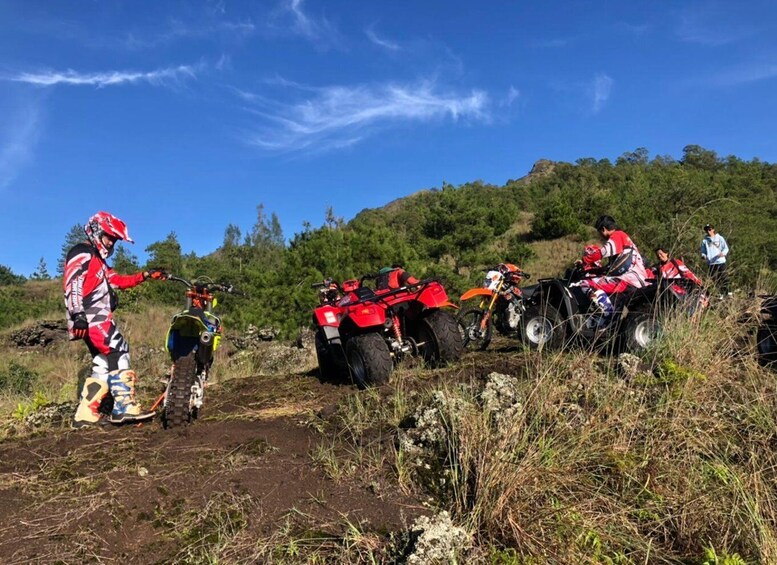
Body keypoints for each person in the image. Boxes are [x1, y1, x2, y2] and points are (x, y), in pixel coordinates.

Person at [64, 211, 166, 428]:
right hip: (91, 316)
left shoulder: (100, 262)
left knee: (102, 361)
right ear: (96, 231)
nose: (112, 243)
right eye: (109, 237)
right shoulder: (82, 252)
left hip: (94, 316)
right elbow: (72, 283)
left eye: (115, 239)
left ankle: (85, 413)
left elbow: (117, 280)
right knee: (119, 349)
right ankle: (124, 407)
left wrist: (145, 276)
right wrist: (78, 314)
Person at [575, 215, 650, 326]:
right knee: (611, 295)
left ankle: (607, 316)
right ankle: (611, 321)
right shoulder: (626, 241)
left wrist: (585, 260)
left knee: (585, 283)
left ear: (604, 229)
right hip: (636, 280)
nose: (600, 236)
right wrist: (596, 271)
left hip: (627, 279)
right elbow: (611, 268)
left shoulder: (618, 235)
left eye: (599, 232)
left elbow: (602, 252)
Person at [700, 223, 730, 295]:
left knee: (723, 277)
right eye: (707, 230)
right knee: (715, 279)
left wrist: (723, 253)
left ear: (713, 230)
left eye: (710, 229)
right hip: (711, 263)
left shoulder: (719, 238)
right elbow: (703, 251)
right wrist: (703, 255)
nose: (708, 231)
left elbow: (725, 248)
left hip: (720, 261)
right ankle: (720, 293)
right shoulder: (705, 241)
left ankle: (728, 292)